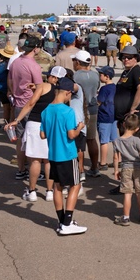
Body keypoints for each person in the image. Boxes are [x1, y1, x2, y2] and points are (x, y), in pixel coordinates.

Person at [40, 77, 87, 236]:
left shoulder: (46, 110)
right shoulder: (68, 112)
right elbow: (71, 135)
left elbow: (42, 134)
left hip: (53, 154)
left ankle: (61, 221)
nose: (70, 98)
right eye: (70, 95)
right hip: (67, 154)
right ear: (67, 93)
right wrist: (80, 127)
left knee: (57, 187)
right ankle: (67, 222)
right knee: (76, 185)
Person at [8, 66, 62, 202]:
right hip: (51, 126)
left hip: (36, 124)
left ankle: (32, 191)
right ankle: (49, 191)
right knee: (48, 160)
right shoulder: (61, 92)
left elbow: (31, 103)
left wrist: (17, 119)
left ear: (53, 77)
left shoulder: (43, 86)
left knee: (35, 160)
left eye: (48, 75)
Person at [8, 37, 45, 182]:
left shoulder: (16, 61)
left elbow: (10, 80)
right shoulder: (33, 65)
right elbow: (40, 87)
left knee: (21, 139)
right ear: (36, 48)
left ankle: (21, 169)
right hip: (31, 104)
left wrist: (14, 93)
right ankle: (33, 171)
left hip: (18, 103)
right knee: (32, 140)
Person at [71, 50, 101, 176]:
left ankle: (79, 169)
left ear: (77, 62)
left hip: (79, 111)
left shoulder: (75, 76)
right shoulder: (95, 75)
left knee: (78, 141)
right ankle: (94, 167)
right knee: (91, 139)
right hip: (93, 109)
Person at [95, 66, 118, 169]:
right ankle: (118, 159)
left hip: (104, 117)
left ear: (107, 76)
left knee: (104, 141)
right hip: (113, 116)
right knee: (115, 140)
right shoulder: (115, 87)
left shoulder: (104, 89)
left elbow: (99, 102)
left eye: (101, 75)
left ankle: (103, 163)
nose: (99, 77)